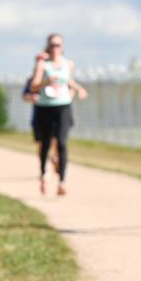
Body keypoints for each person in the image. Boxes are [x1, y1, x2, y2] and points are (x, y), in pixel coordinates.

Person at [28, 33, 87, 195]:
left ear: (62, 47)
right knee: (45, 144)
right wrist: (46, 82)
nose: (55, 48)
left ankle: (62, 181)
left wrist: (79, 89)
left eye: (58, 45)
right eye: (53, 45)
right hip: (45, 108)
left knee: (61, 143)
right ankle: (43, 174)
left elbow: (68, 81)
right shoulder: (42, 65)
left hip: (63, 107)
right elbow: (33, 86)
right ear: (48, 46)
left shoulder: (68, 64)